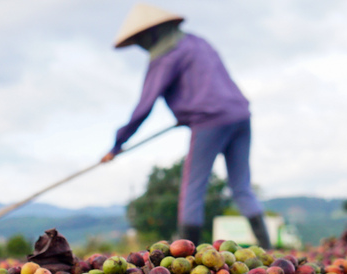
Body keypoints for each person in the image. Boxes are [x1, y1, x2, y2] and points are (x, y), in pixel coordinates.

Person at [102, 3, 271, 249]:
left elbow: (144, 106)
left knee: (193, 187)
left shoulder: (165, 56)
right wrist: (185, 113)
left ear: (150, 34)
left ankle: (187, 253)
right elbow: (209, 83)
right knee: (241, 186)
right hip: (240, 114)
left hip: (209, 120)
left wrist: (117, 144)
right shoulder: (198, 42)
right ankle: (268, 248)